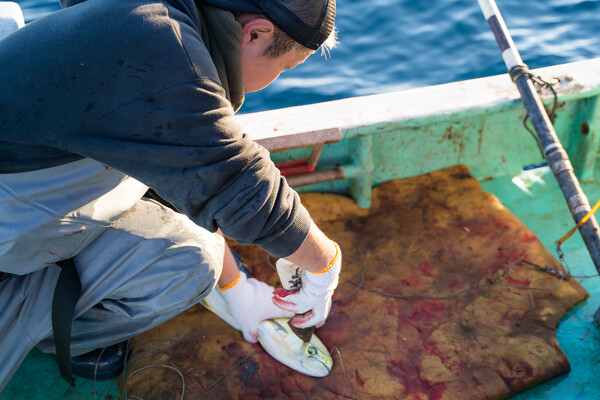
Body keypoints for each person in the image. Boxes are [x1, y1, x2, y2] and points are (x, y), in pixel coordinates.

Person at [0, 0, 341, 391]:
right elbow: (238, 182)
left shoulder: (158, 20)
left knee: (193, 259)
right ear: (256, 33)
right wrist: (323, 264)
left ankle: (55, 330)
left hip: (31, 212)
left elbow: (184, 164)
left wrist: (236, 288)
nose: (277, 77)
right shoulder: (164, 53)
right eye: (285, 67)